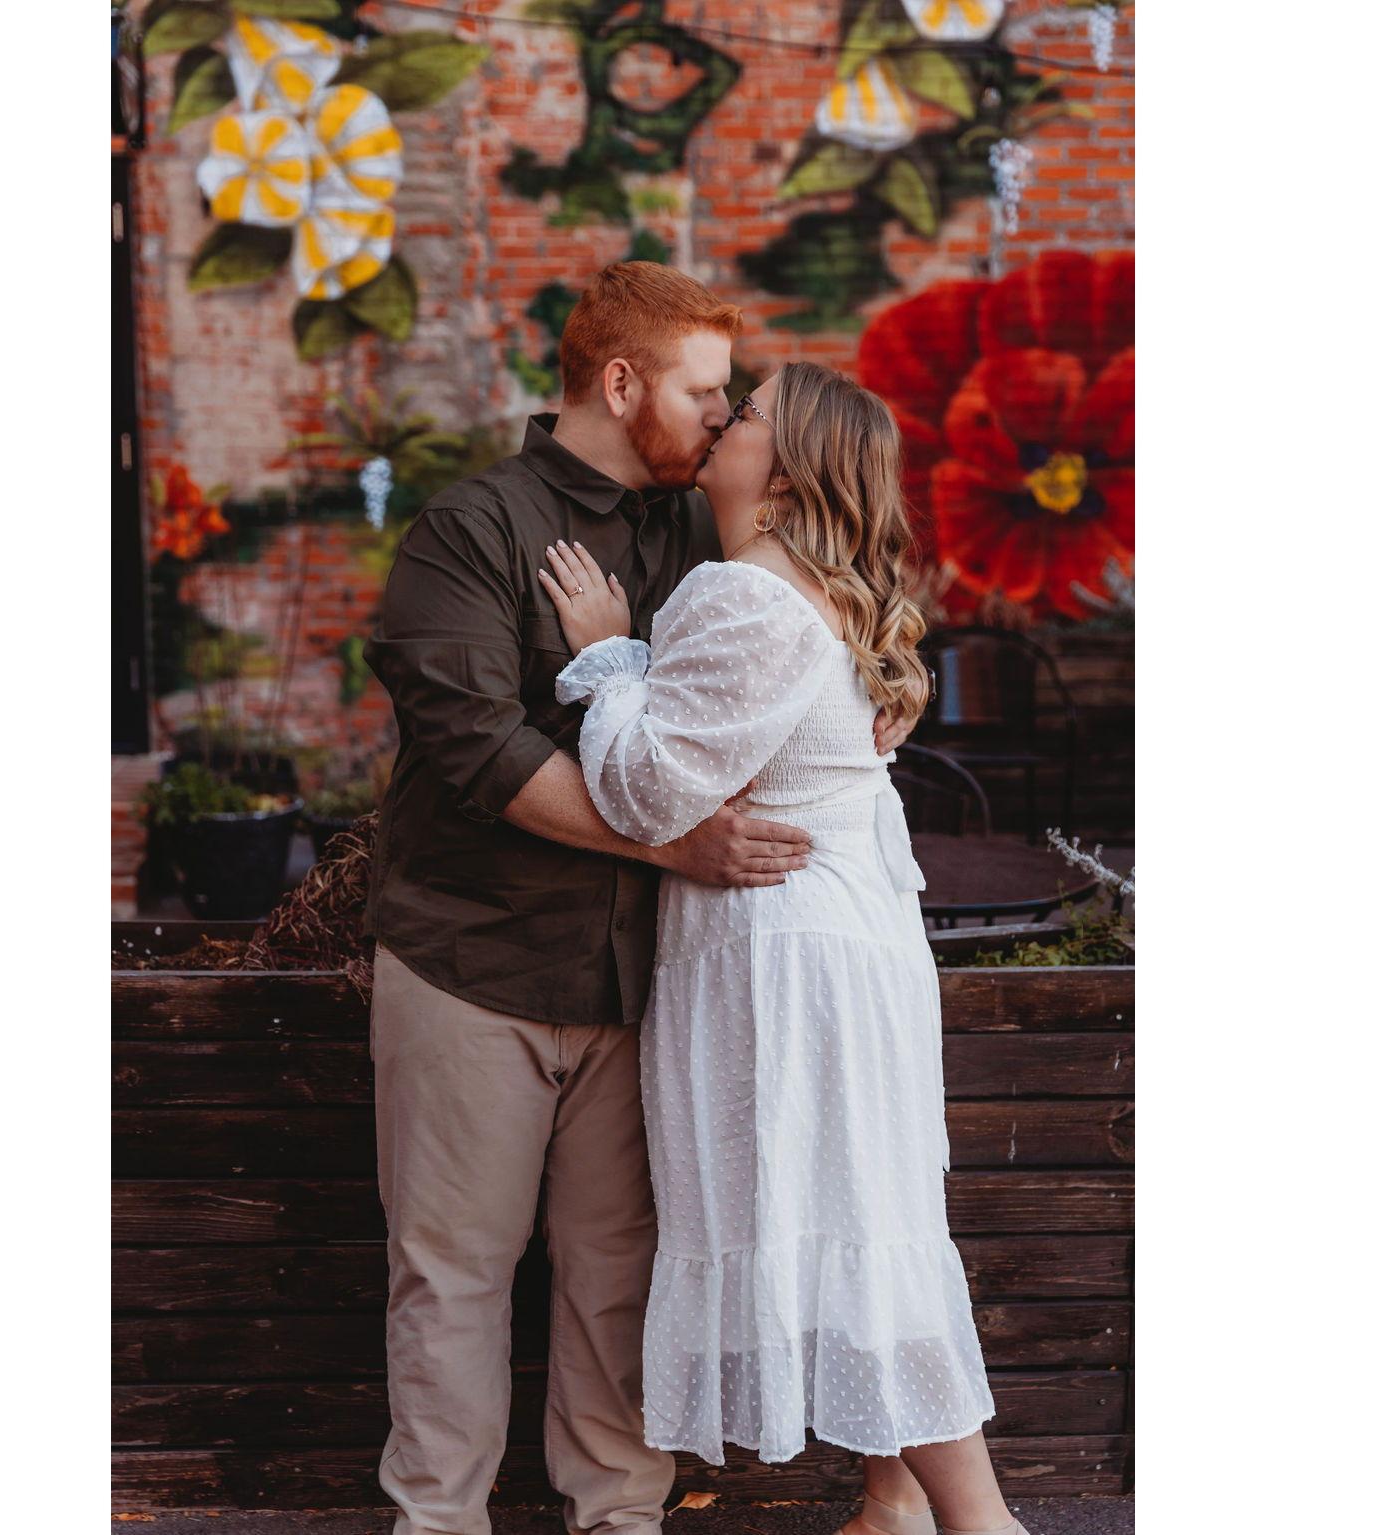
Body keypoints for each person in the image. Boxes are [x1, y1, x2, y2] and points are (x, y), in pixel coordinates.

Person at [361, 264, 911, 1535]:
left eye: (731, 401)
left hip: (644, 984)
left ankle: (618, 1517)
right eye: (705, 390)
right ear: (620, 383)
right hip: (472, 960)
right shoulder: (470, 528)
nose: (724, 418)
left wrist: (880, 669)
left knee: (621, 1276)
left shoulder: (694, 524)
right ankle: (435, 1520)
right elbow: (473, 741)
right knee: (450, 1273)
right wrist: (674, 849)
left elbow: (826, 565)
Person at [539, 362, 1028, 1535]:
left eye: (744, 412)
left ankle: (980, 1521)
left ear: (790, 462)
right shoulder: (833, 591)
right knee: (864, 1211)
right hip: (852, 938)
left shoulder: (741, 594)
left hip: (781, 956)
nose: (720, 419)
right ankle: (890, 1501)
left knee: (846, 1223)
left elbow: (649, 786)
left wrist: (611, 656)